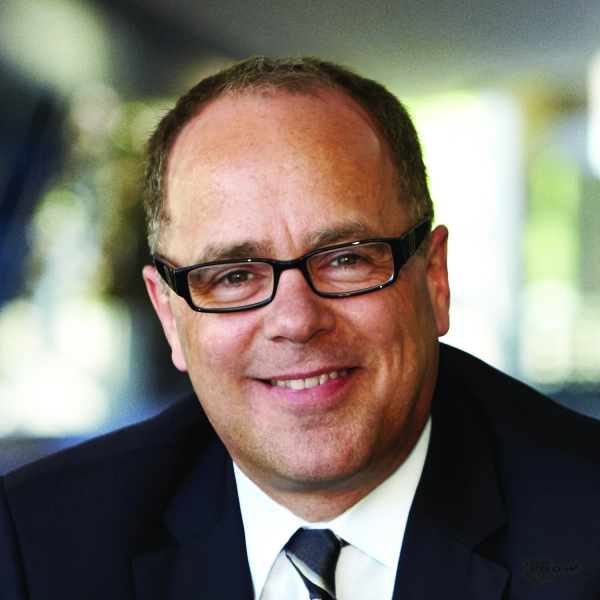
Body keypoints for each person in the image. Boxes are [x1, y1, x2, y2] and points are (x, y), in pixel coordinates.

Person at [1, 56, 600, 600]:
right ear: (169, 315)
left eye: (346, 258)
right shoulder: (37, 545)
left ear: (434, 278)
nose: (295, 320)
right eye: (234, 275)